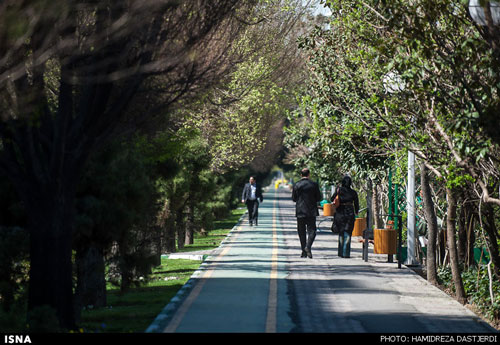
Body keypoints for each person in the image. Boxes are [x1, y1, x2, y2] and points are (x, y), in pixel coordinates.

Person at [292, 168, 322, 258]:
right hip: (311, 211)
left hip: (300, 211)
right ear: (309, 175)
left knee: (301, 232)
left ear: (301, 175)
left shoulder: (297, 185)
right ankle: (308, 247)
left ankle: (303, 251)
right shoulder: (314, 185)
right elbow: (318, 198)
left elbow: (294, 198)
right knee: (312, 231)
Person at [331, 175, 359, 258]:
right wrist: (356, 211)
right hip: (349, 212)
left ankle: (340, 252)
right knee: (348, 232)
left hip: (340, 212)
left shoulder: (339, 190)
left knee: (341, 232)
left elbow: (332, 198)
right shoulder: (353, 192)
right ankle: (346, 253)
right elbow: (356, 204)